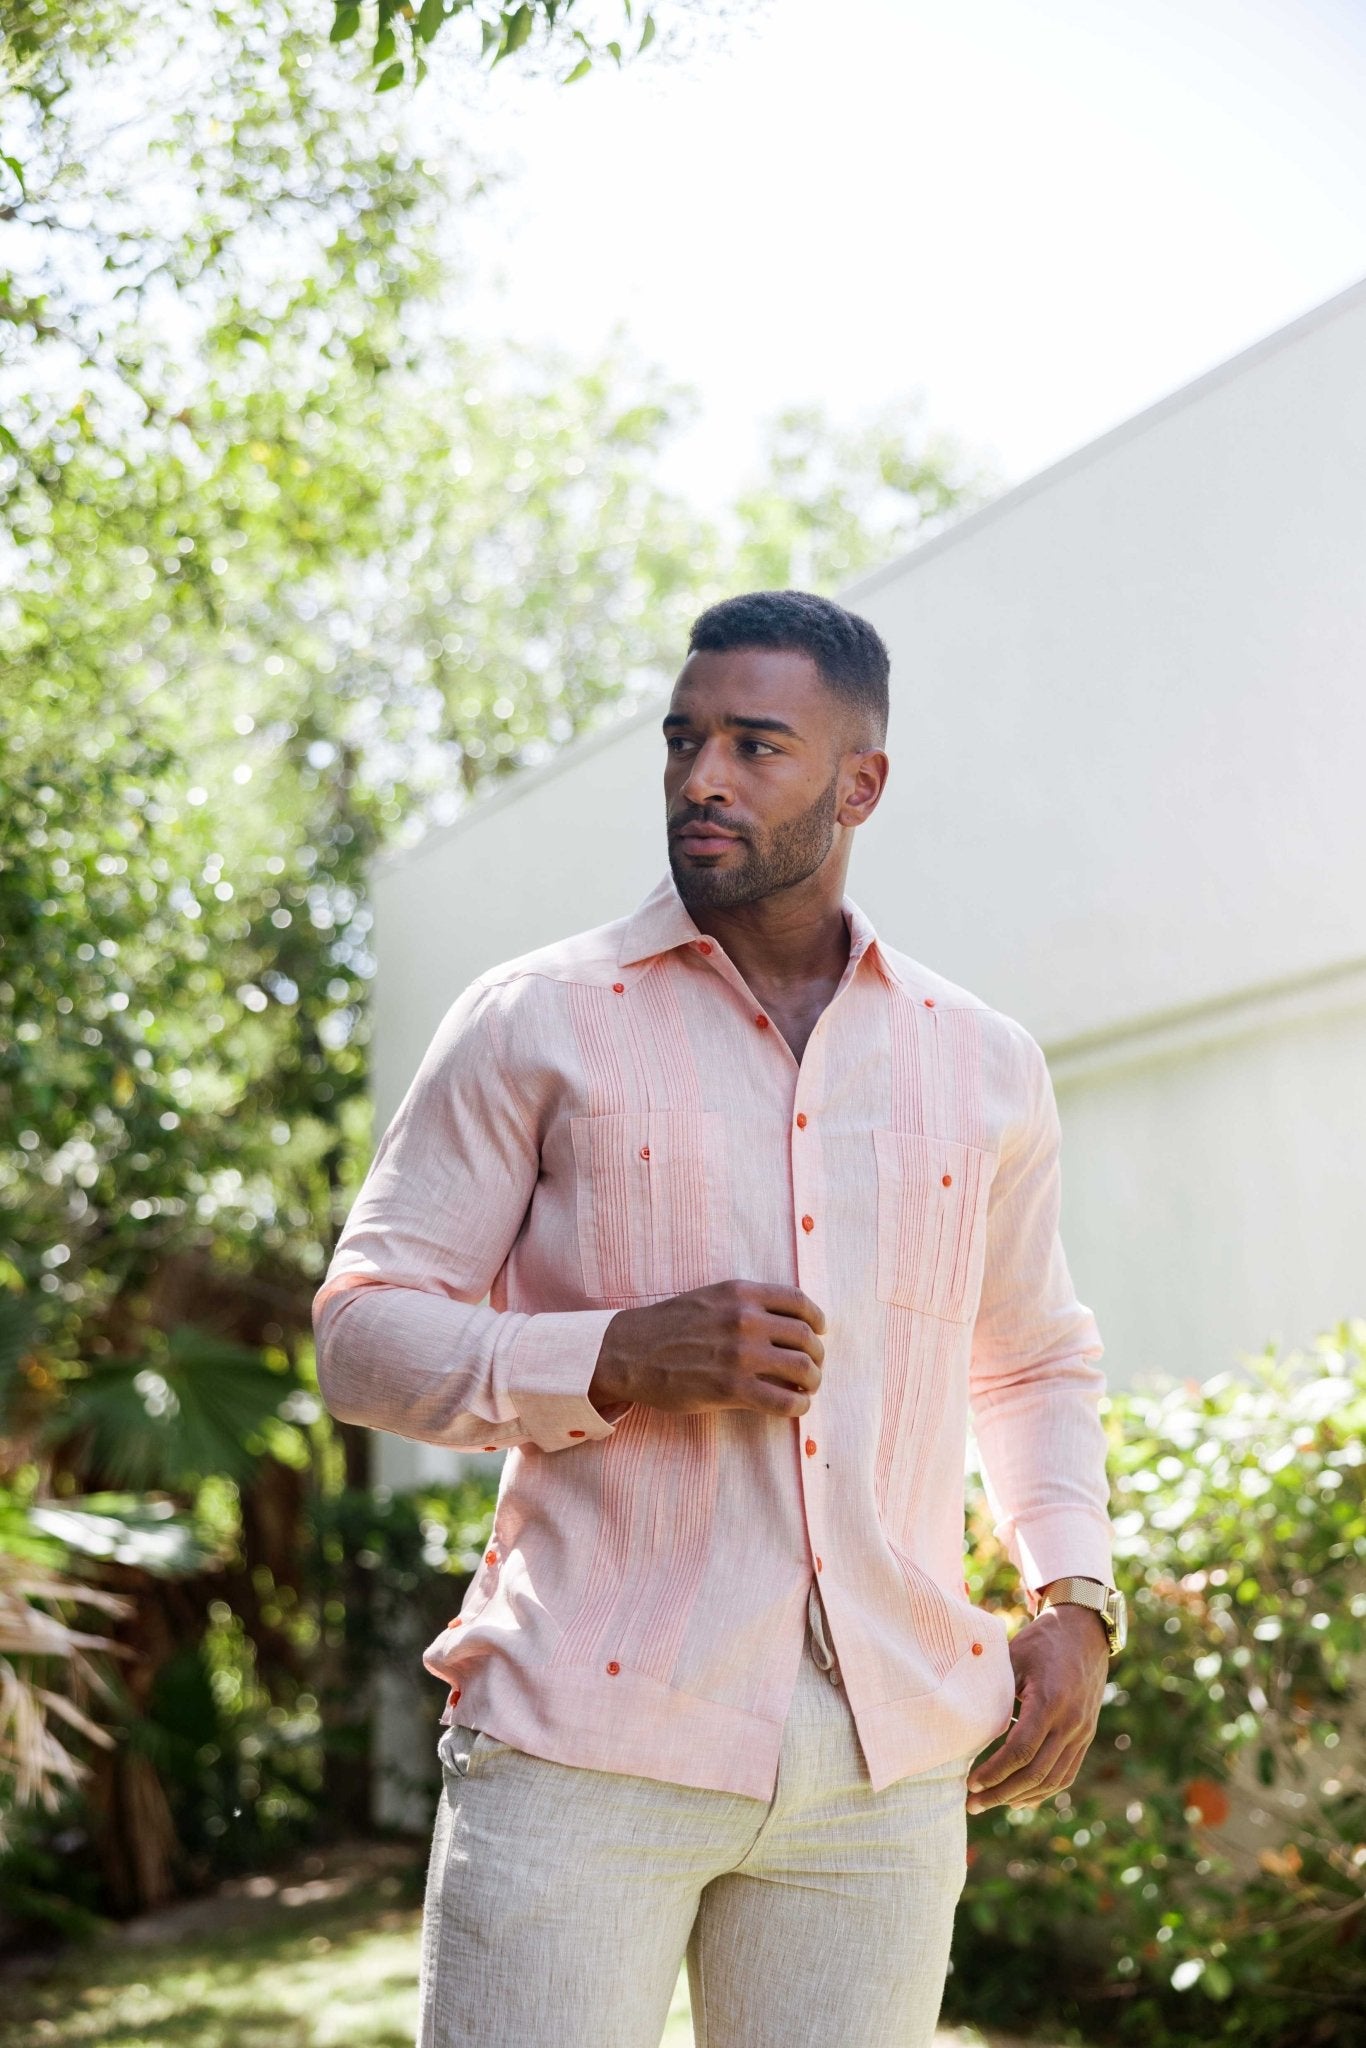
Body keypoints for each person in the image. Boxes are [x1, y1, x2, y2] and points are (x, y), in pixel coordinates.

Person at [312, 589, 1123, 2048]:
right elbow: (360, 1333)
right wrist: (608, 1357)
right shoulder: (533, 1018)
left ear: (858, 783)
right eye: (684, 741)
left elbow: (1031, 1354)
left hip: (886, 1759)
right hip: (586, 1732)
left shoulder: (982, 1062)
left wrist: (1073, 1598)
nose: (701, 777)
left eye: (755, 746)